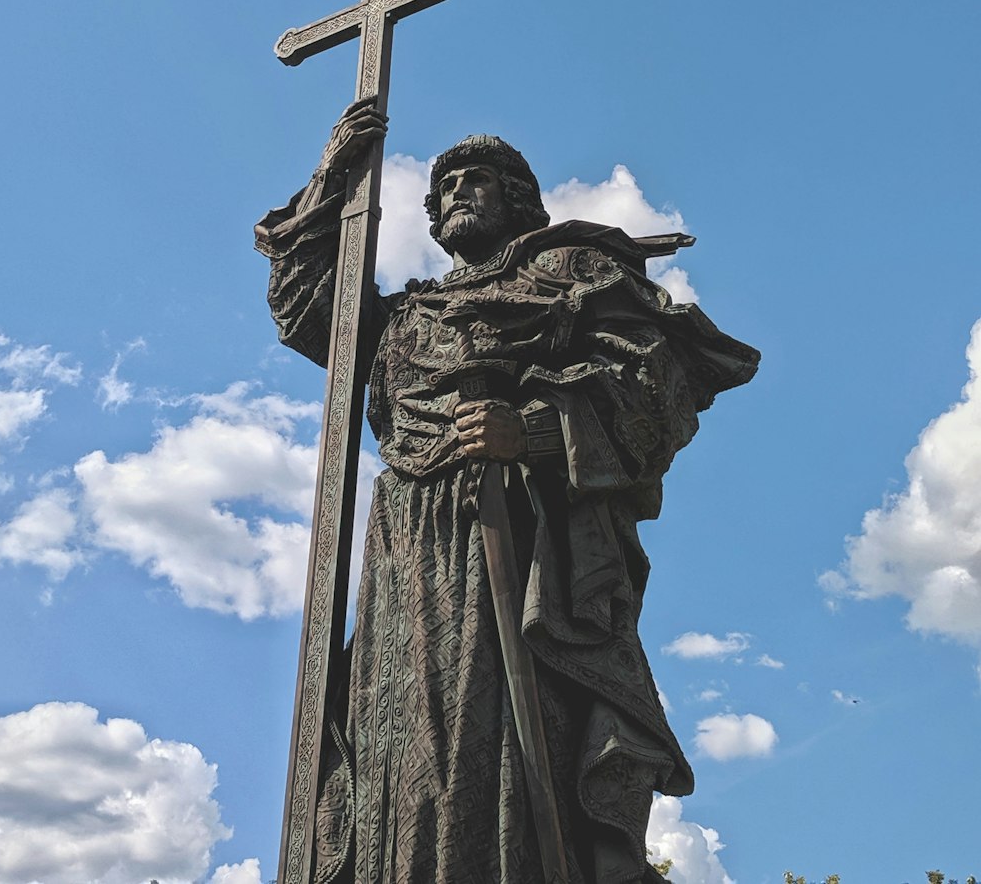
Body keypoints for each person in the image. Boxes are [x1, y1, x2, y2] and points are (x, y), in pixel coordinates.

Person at [255, 99, 759, 884]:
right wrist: (333, 182)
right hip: (405, 554)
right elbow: (305, 307)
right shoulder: (404, 320)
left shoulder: (565, 276)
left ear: (519, 198)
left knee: (490, 752)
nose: (455, 190)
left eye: (476, 178)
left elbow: (656, 384)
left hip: (512, 541)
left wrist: (530, 427)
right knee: (393, 749)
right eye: (444, 182)